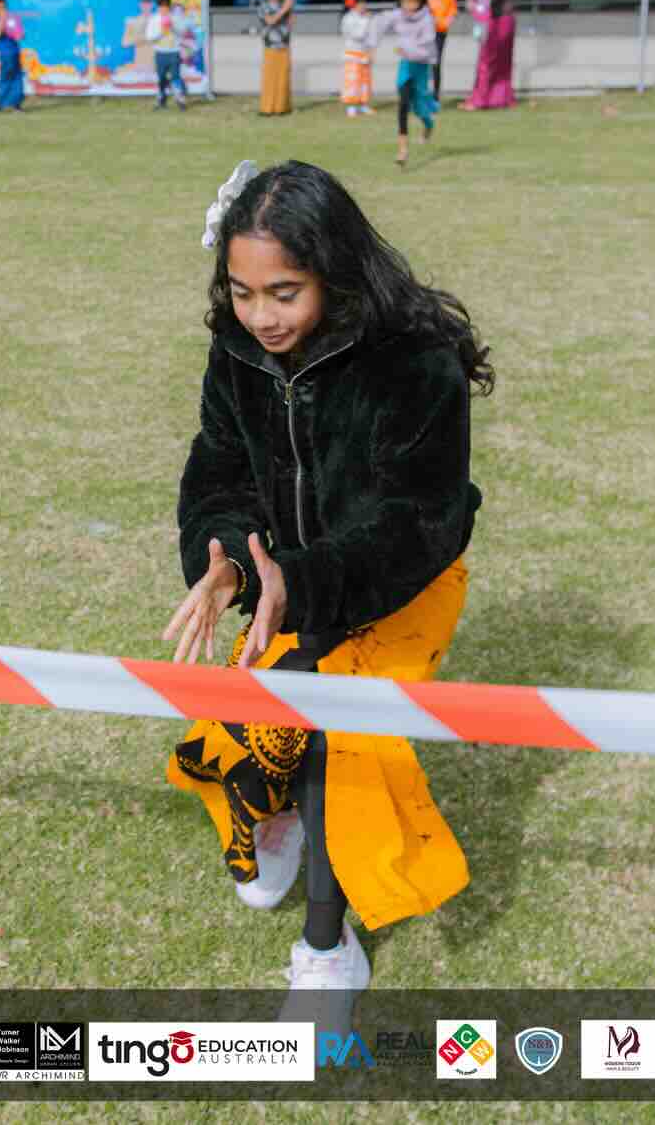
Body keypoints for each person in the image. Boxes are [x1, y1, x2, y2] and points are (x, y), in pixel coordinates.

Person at [166, 159, 492, 1036]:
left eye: (284, 291)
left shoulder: (414, 361)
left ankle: (326, 944)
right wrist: (228, 559)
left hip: (402, 581)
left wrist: (298, 585)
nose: (260, 316)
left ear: (335, 273)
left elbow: (414, 524)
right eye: (241, 292)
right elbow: (218, 467)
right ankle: (275, 822)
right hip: (287, 581)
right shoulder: (236, 346)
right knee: (250, 716)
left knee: (332, 735)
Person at [386, 0, 440, 165]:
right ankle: (403, 150)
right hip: (406, 66)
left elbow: (428, 48)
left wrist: (412, 51)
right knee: (403, 103)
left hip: (421, 67)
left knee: (419, 107)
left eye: (413, 2)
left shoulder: (427, 20)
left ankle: (428, 124)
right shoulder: (399, 17)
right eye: (405, 1)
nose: (409, 6)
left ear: (421, 1)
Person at [462, 0, 516, 110]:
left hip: (501, 21)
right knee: (485, 60)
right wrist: (472, 4)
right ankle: (481, 97)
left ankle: (488, 99)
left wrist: (481, 4)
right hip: (484, 22)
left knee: (497, 61)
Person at [147, 0, 190, 112]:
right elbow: (149, 37)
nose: (164, 10)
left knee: (175, 76)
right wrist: (161, 31)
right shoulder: (154, 20)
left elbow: (183, 32)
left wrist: (173, 27)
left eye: (166, 7)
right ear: (158, 7)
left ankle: (180, 100)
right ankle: (161, 99)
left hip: (173, 52)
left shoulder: (175, 18)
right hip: (160, 52)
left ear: (169, 7)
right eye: (161, 7)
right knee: (161, 77)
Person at [420, 0, 457, 98]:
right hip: (423, 32)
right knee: (421, 63)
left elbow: (452, 7)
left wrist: (449, 19)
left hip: (440, 32)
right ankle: (420, 94)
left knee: (436, 63)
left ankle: (435, 96)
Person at [257, 0, 293, 117]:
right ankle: (267, 108)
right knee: (270, 77)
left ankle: (282, 107)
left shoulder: (284, 6)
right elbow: (270, 21)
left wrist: (289, 11)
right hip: (271, 46)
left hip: (284, 45)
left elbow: (290, 24)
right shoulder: (263, 6)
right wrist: (285, 8)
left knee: (283, 77)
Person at [339, 0, 376, 118]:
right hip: (353, 54)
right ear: (354, 5)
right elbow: (357, 35)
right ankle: (351, 107)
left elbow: (371, 35)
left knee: (365, 81)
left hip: (364, 53)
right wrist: (367, 21)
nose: (364, 7)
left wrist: (371, 51)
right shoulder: (348, 18)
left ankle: (363, 105)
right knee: (353, 82)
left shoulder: (364, 18)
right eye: (361, 4)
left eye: (365, 4)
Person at [0, 0, 25, 112]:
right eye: (0, 7)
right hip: (5, 53)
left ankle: (16, 104)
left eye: (4, 7)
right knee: (5, 77)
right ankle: (2, 103)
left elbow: (20, 34)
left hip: (15, 51)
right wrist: (2, 20)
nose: (3, 9)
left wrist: (18, 32)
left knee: (17, 77)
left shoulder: (12, 19)